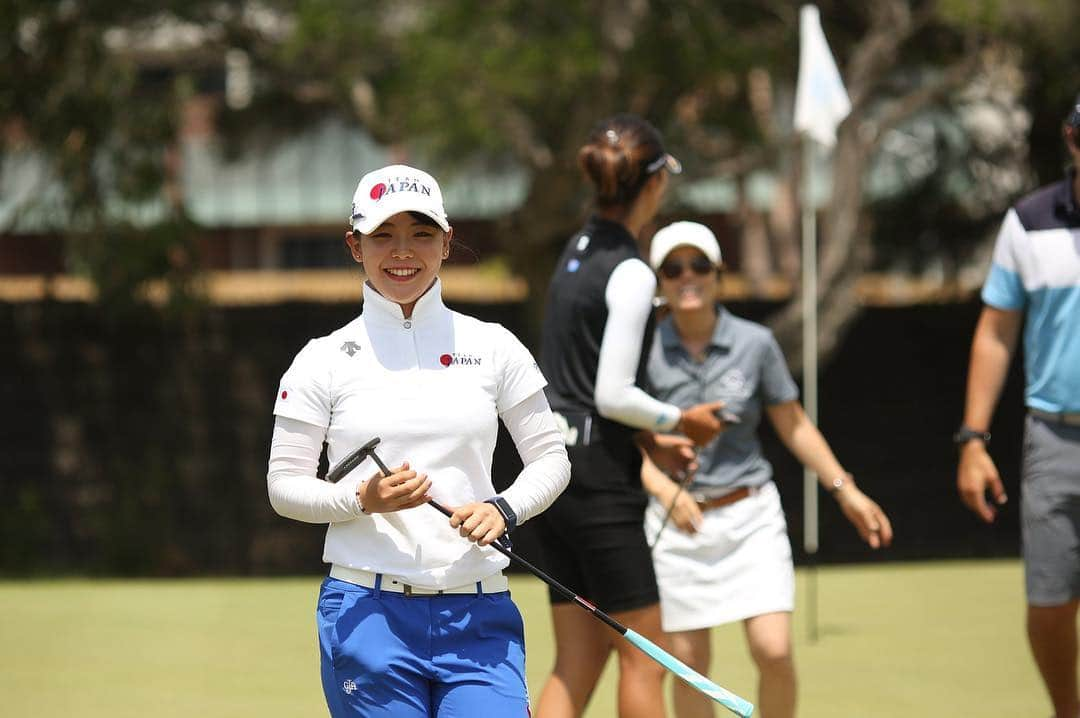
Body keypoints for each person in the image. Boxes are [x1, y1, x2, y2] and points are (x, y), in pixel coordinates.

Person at [266, 164, 571, 718]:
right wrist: (362, 499)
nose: (402, 251)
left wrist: (505, 508)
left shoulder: (495, 346)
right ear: (354, 245)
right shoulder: (322, 359)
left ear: (447, 242)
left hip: (479, 612)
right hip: (367, 614)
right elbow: (284, 487)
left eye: (421, 233)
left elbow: (551, 459)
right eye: (383, 235)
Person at [641, 221, 893, 718]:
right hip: (676, 523)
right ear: (660, 279)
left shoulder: (755, 343)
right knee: (689, 664)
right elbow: (628, 440)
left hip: (750, 516)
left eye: (698, 266)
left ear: (718, 274)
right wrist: (660, 488)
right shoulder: (642, 349)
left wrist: (846, 490)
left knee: (773, 650)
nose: (686, 277)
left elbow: (794, 424)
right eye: (673, 268)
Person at [533, 114, 727, 718]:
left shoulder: (577, 249)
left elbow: (578, 385)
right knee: (646, 652)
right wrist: (680, 421)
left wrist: (648, 437)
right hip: (597, 483)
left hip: (549, 467)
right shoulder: (632, 269)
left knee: (579, 656)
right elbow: (612, 392)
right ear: (653, 185)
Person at [956, 95, 1080, 718]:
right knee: (1051, 601)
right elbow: (996, 333)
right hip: (1054, 437)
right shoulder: (1029, 221)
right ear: (1071, 140)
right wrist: (972, 439)